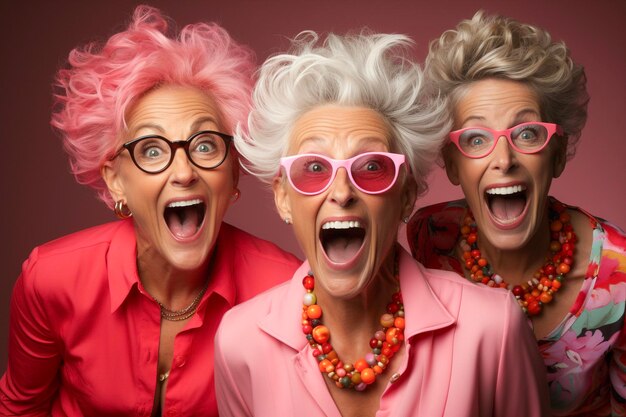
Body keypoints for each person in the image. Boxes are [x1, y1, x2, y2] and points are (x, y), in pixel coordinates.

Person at [214, 31, 550, 417]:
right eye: (314, 168)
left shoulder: (492, 328)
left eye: (372, 167)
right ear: (283, 198)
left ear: (406, 196)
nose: (342, 192)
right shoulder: (239, 343)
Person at [0, 6, 300, 417]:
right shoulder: (52, 279)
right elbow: (20, 407)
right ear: (115, 180)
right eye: (152, 150)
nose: (183, 172)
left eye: (206, 145)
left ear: (233, 175)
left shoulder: (285, 292)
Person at [406, 11, 626, 417]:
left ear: (557, 155)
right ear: (453, 164)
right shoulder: (429, 237)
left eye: (527, 134)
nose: (503, 160)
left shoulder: (620, 275)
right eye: (476, 138)